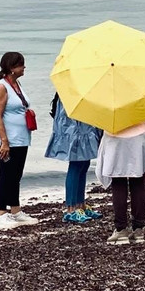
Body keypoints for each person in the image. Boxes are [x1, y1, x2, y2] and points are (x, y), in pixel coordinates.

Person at [0, 52, 40, 230]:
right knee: (6, 174)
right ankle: (1, 213)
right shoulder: (1, 87)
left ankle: (15, 210)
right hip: (7, 140)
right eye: (21, 65)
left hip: (21, 139)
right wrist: (4, 141)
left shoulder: (16, 84)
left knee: (16, 176)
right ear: (11, 68)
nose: (24, 68)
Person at [45, 95, 103, 223]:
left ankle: (80, 205)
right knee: (76, 165)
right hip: (74, 126)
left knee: (84, 164)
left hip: (84, 124)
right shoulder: (69, 87)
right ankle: (71, 209)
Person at [97, 120, 145, 244]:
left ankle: (121, 228)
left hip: (115, 135)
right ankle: (138, 228)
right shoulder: (139, 99)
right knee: (138, 181)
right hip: (139, 134)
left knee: (118, 182)